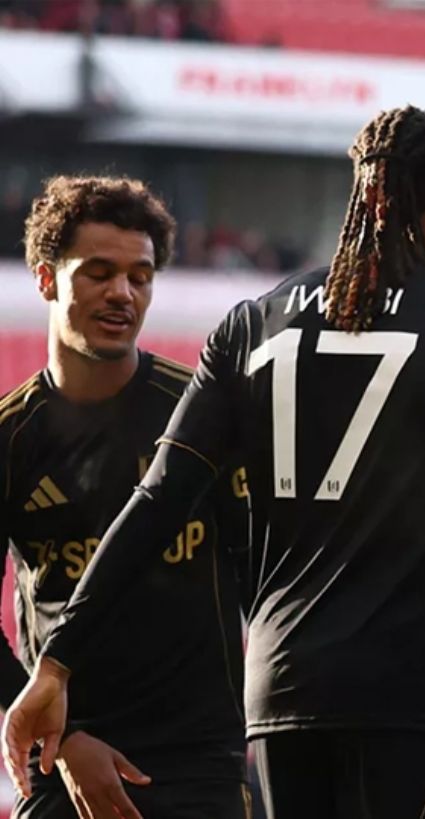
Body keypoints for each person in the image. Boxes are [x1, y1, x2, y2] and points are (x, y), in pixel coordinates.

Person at [3, 106, 425, 819]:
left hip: (283, 693)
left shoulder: (254, 321)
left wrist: (56, 661)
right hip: (418, 694)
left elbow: (158, 499)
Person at [0, 175, 249, 819]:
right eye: (99, 273)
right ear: (46, 279)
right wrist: (67, 744)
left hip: (200, 762)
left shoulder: (200, 416)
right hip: (62, 764)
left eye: (140, 277)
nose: (123, 293)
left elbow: (275, 563)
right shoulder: (10, 438)